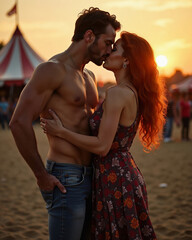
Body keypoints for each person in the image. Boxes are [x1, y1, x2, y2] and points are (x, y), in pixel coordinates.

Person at [41, 32, 167, 239]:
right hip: (122, 174)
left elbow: (102, 146)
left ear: (127, 60)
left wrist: (61, 132)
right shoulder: (129, 91)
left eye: (114, 48)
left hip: (114, 178)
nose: (108, 52)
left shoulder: (117, 93)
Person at [9, 7, 121, 240]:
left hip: (94, 176)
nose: (110, 50)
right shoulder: (51, 70)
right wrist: (40, 174)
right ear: (89, 36)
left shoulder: (89, 76)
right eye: (108, 43)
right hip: (65, 177)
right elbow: (18, 122)